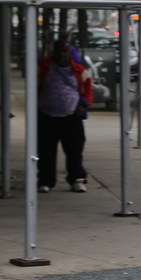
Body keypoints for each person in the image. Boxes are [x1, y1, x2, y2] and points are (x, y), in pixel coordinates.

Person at [37, 39, 93, 193]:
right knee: (46, 150)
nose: (62, 54)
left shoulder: (79, 71)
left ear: (70, 53)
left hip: (71, 116)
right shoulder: (44, 67)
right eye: (59, 51)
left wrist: (83, 104)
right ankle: (45, 180)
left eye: (65, 51)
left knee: (74, 150)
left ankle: (76, 179)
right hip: (47, 115)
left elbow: (89, 89)